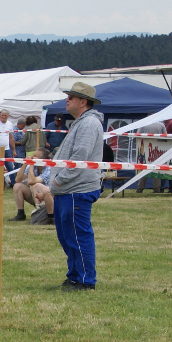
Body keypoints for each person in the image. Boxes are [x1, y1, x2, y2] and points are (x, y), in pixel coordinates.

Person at [49, 81, 104, 290]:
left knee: (78, 237)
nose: (67, 100)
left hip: (77, 189)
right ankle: (74, 275)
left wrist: (59, 179)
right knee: (68, 237)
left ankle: (85, 280)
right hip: (68, 190)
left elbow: (81, 156)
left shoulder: (89, 124)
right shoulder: (80, 123)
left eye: (71, 97)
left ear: (83, 102)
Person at [9, 146, 54, 223]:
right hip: (36, 195)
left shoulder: (49, 168)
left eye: (35, 156)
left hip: (49, 198)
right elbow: (17, 179)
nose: (32, 157)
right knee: (17, 186)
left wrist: (31, 165)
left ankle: (39, 211)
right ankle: (20, 213)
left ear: (42, 160)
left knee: (36, 185)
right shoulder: (33, 166)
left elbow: (31, 181)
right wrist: (25, 164)